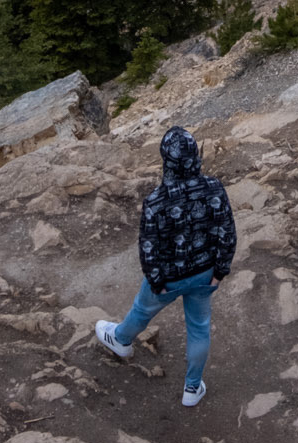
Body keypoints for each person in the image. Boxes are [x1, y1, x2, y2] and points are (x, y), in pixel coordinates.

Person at [95, 124, 235, 407]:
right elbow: (227, 233)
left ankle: (120, 340)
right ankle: (192, 389)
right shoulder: (214, 188)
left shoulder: (155, 201)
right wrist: (220, 271)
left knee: (142, 310)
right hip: (203, 273)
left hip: (168, 278)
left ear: (166, 161)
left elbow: (148, 248)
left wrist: (157, 281)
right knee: (199, 328)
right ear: (195, 156)